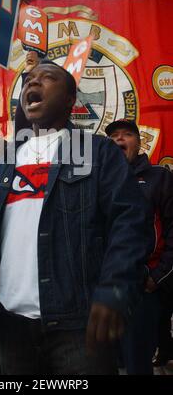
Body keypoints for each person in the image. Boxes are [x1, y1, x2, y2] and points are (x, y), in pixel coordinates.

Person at [0, 61, 149, 375]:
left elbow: (130, 223)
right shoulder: (5, 160)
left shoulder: (98, 152)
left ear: (69, 99)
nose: (32, 83)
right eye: (28, 80)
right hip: (10, 325)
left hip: (78, 325)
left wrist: (115, 289)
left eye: (47, 77)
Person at [105, 118, 173, 374]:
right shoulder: (99, 181)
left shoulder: (160, 178)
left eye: (127, 135)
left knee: (137, 366)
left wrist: (157, 277)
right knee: (105, 364)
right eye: (113, 137)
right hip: (105, 289)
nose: (119, 139)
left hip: (142, 290)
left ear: (139, 143)